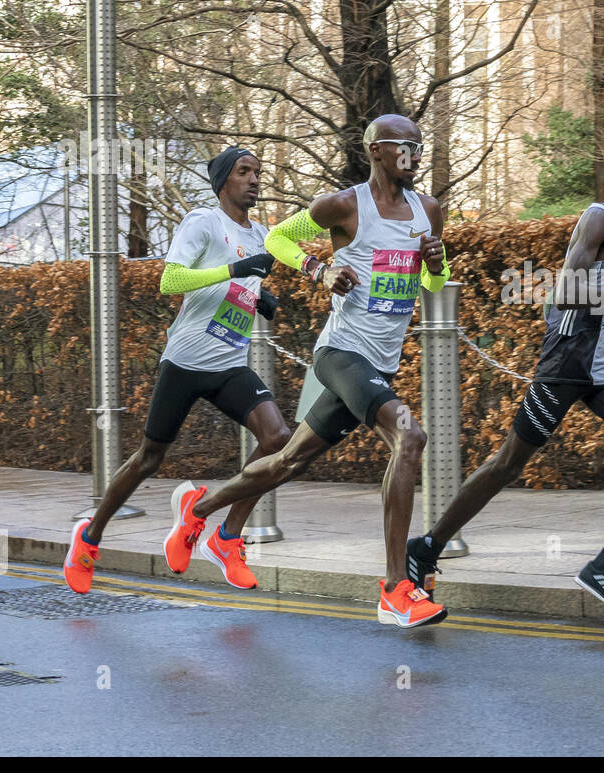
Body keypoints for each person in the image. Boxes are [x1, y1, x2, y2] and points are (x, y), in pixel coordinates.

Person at [168, 115, 450, 629]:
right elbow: (277, 238)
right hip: (342, 353)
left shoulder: (428, 210)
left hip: (380, 362)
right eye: (403, 145)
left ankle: (200, 510)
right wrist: (321, 270)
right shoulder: (344, 205)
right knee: (410, 438)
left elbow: (433, 284)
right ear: (377, 152)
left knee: (288, 462)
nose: (413, 152)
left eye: (418, 144)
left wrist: (436, 259)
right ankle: (394, 589)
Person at [406, 142, 604, 616]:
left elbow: (598, 294)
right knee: (506, 465)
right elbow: (566, 290)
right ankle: (426, 547)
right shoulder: (598, 217)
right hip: (567, 367)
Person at [64, 147, 291, 594]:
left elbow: (237, 287)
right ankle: (88, 538)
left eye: (258, 173)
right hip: (186, 360)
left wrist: (256, 297)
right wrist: (236, 269)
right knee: (150, 457)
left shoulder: (263, 234)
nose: (254, 179)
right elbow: (171, 279)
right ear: (224, 180)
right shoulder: (202, 222)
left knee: (278, 439)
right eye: (244, 172)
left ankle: (227, 538)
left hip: (228, 363)